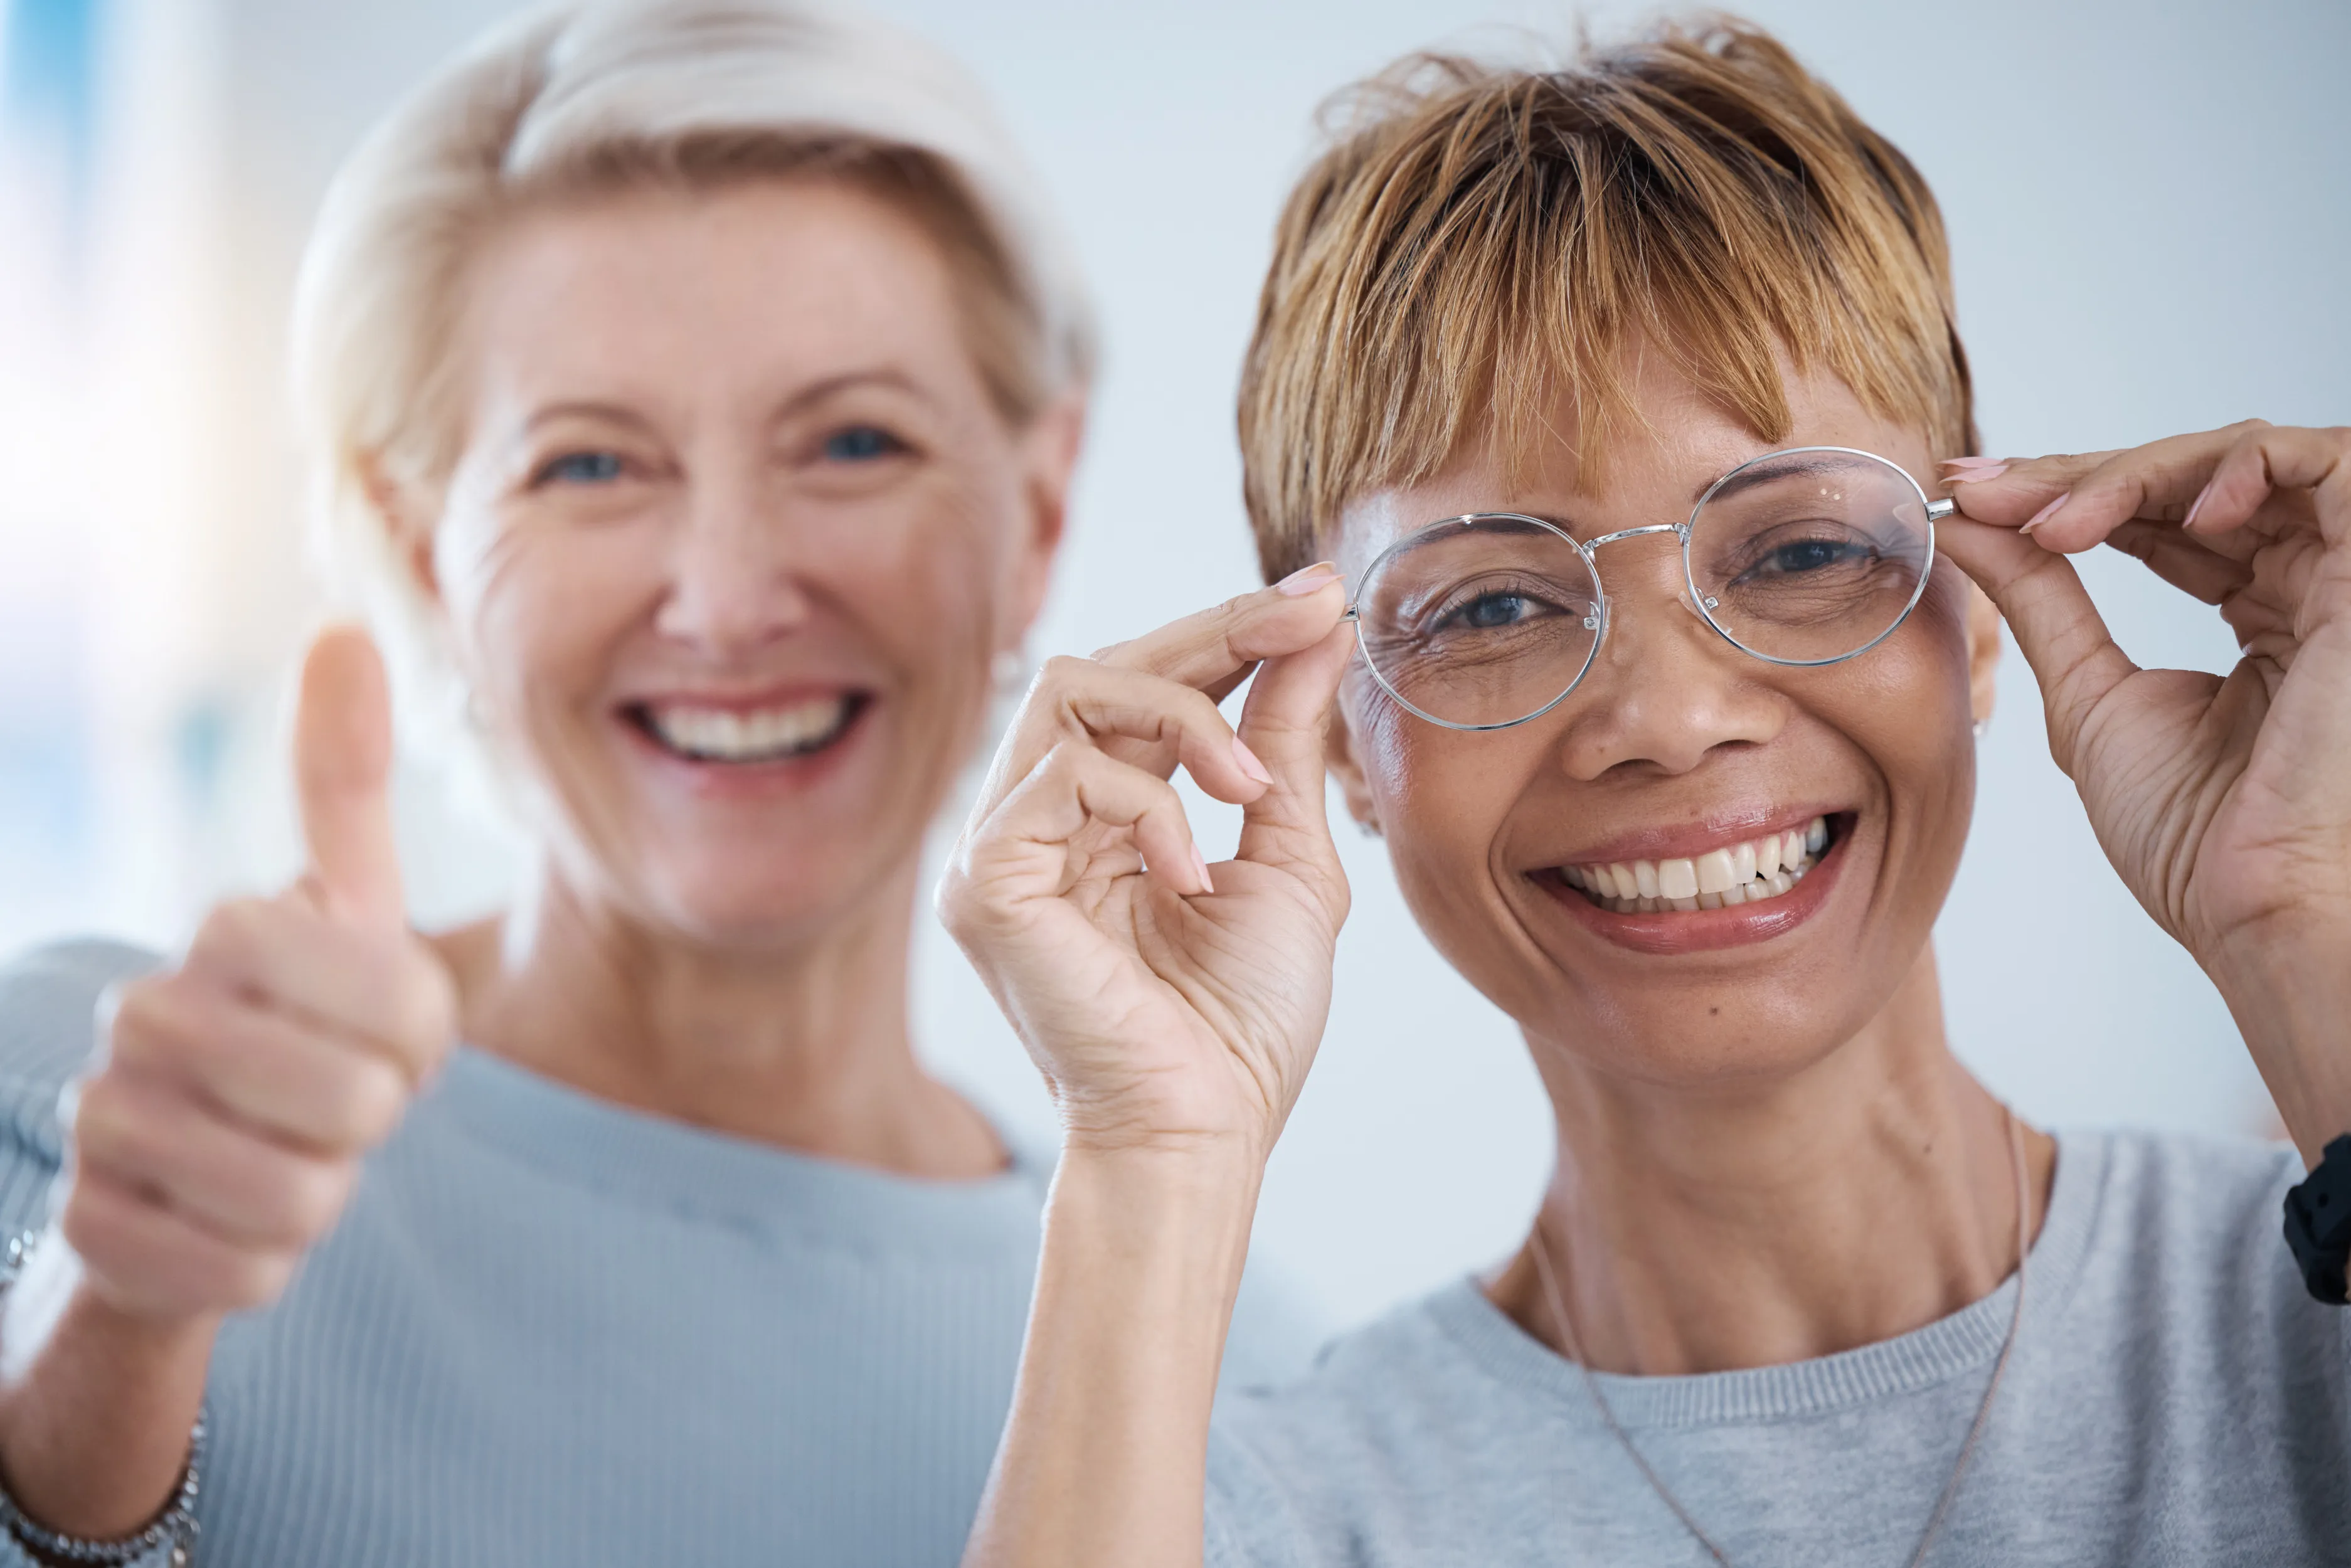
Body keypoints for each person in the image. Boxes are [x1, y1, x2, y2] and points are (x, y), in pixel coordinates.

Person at [942, 20, 2351, 1567]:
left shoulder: (2306, 1311)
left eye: (1804, 550)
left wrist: (2308, 932)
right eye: (1489, 605)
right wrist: (1150, 1151)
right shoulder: (1259, 1520)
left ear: (1980, 607)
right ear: (1335, 732)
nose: (1669, 723)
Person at [0, 3, 1308, 1563]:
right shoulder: (79, 1107)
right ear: (425, 555)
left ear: (1033, 513)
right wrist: (109, 1331)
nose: (729, 596)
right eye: (591, 465)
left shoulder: (1252, 1382)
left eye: (852, 442)